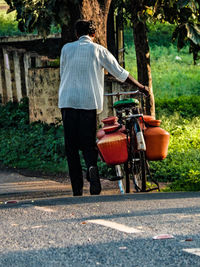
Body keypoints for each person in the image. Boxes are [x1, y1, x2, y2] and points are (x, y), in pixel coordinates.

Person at [58, 19, 149, 196]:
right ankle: (93, 175)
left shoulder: (66, 49)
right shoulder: (99, 50)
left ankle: (77, 189)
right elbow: (120, 73)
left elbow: (64, 73)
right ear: (93, 34)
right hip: (88, 103)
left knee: (71, 147)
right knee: (88, 145)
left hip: (67, 101)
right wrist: (140, 87)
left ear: (77, 34)